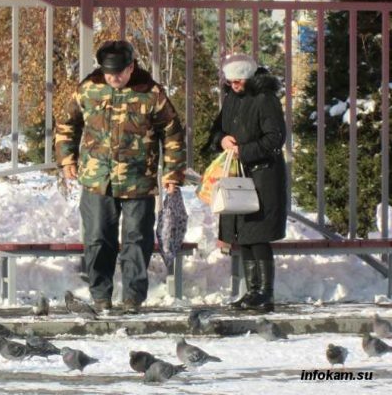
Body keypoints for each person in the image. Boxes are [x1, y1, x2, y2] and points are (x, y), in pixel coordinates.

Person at [55, 40, 186, 314]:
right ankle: (100, 295)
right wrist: (67, 158)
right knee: (97, 237)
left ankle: (133, 298)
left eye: (119, 72)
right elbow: (67, 124)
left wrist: (172, 173)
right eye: (109, 73)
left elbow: (172, 133)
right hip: (97, 179)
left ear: (131, 67)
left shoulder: (151, 93)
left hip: (139, 180)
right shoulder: (88, 89)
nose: (114, 78)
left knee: (137, 239)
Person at [205, 54, 287, 313]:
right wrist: (222, 140)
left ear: (249, 78)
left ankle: (265, 293)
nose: (234, 85)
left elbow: (275, 138)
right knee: (244, 235)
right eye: (230, 81)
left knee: (258, 235)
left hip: (263, 176)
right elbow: (216, 129)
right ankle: (253, 292)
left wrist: (245, 151)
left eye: (238, 81)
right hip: (239, 175)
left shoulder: (265, 98)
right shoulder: (232, 97)